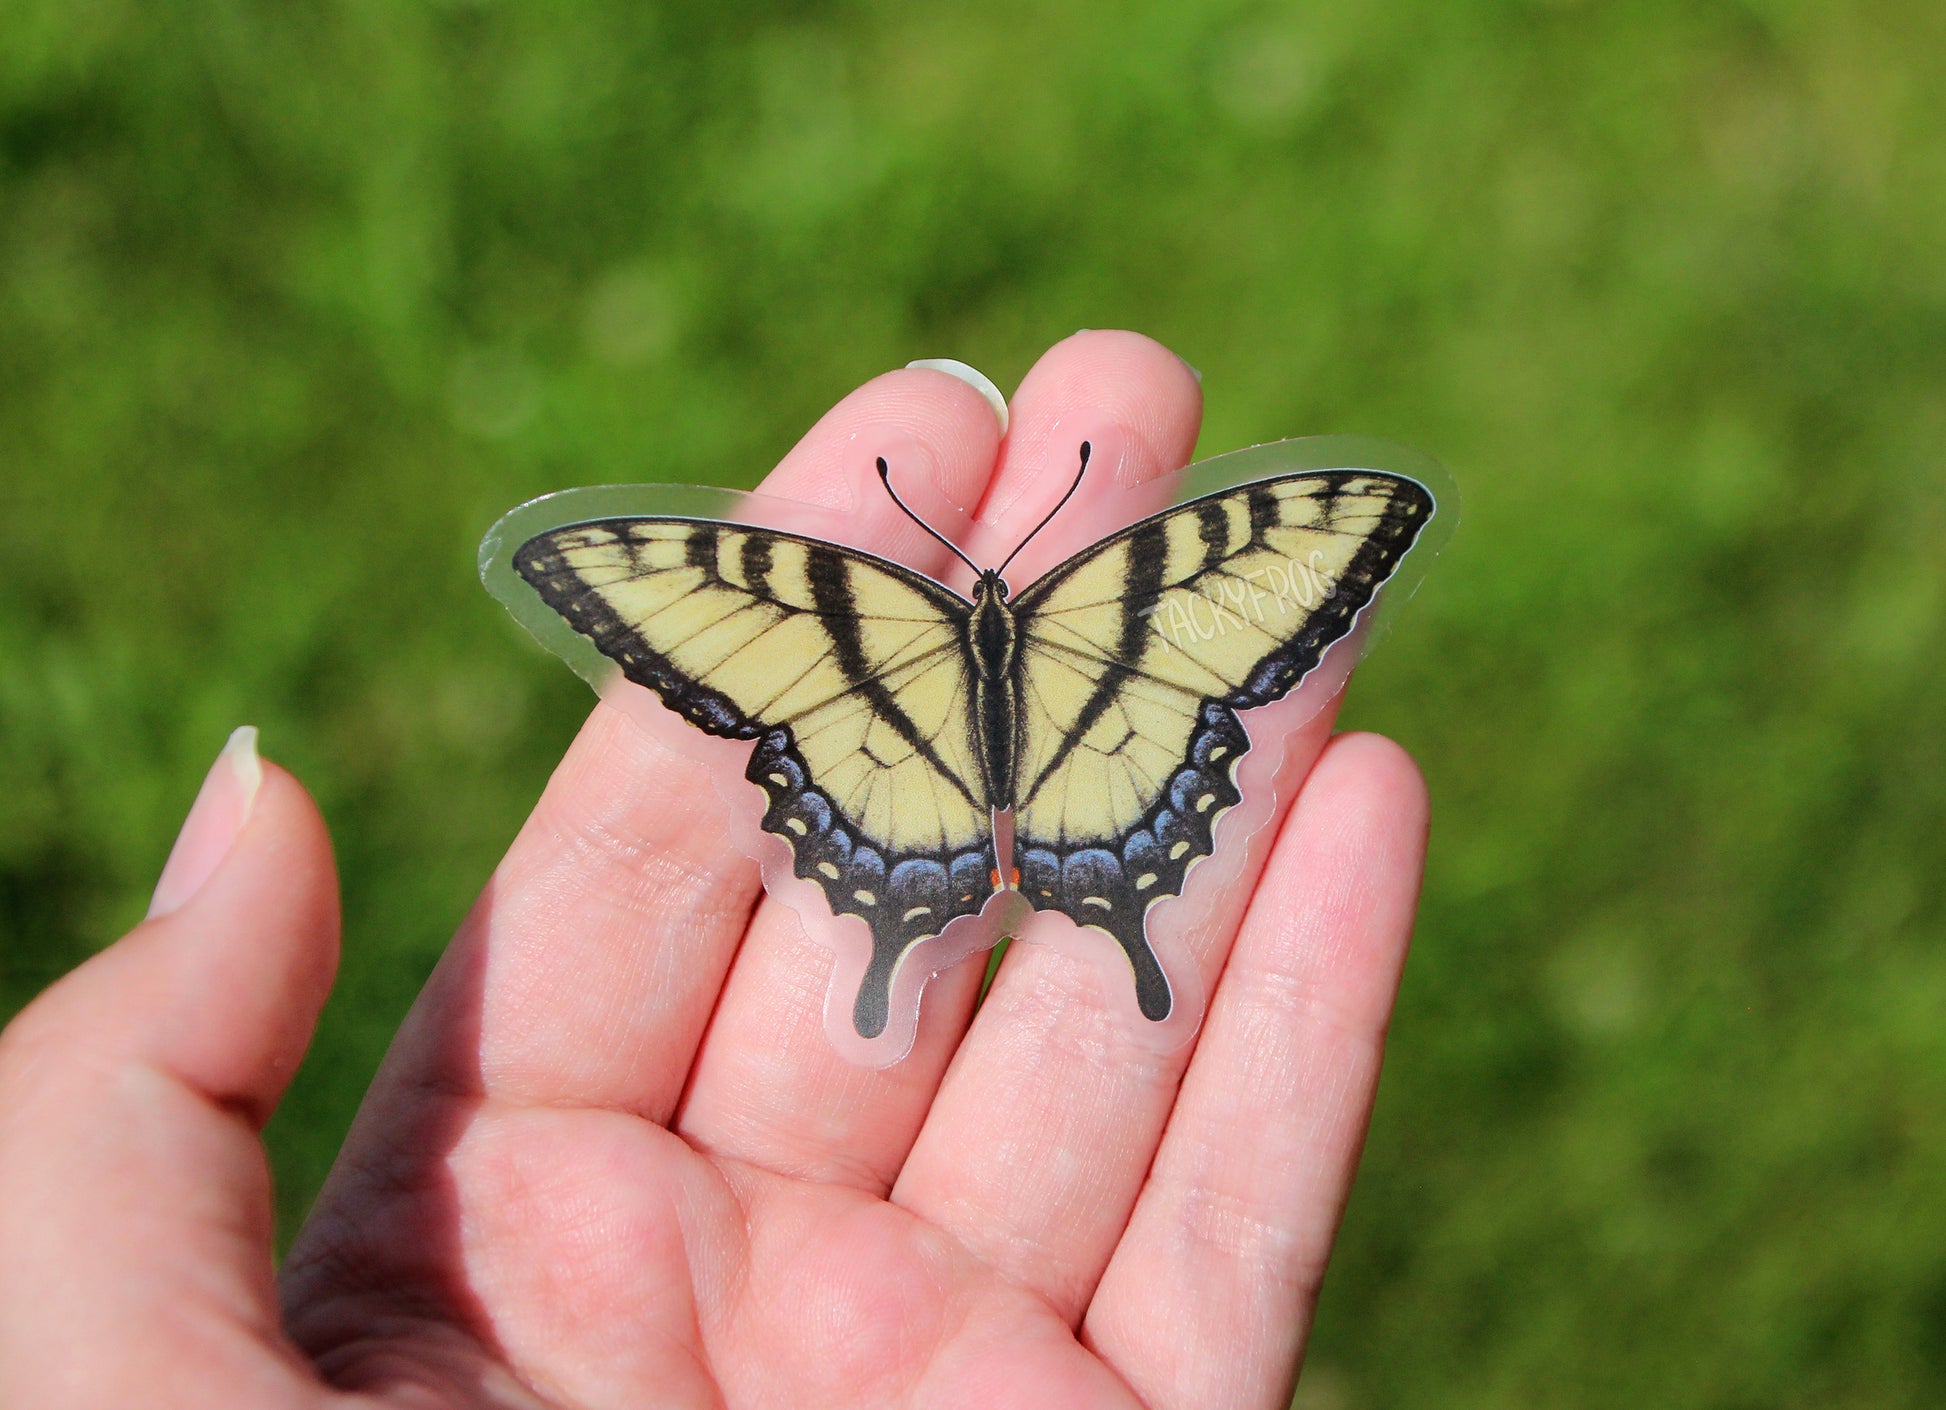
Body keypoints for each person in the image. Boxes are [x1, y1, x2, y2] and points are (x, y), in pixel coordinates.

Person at [0, 332, 1428, 1409]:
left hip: (894, 759)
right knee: (1114, 886)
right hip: (1089, 743)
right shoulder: (1101, 594)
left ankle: (1023, 923)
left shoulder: (848, 611)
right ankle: (1100, 921)